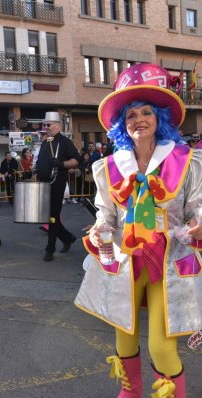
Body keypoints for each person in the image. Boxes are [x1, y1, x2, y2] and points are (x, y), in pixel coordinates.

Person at [75, 63, 202, 398]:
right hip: (127, 260)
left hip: (170, 259)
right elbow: (106, 212)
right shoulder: (109, 167)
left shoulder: (187, 161)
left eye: (147, 112)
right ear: (122, 123)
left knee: (161, 346)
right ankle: (131, 391)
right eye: (131, 115)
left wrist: (197, 223)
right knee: (124, 337)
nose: (139, 120)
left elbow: (196, 207)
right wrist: (101, 228)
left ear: (160, 118)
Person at [36, 111, 81, 261]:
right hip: (44, 184)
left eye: (48, 125)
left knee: (53, 217)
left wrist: (61, 163)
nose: (46, 127)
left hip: (56, 184)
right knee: (49, 216)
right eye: (44, 125)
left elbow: (76, 160)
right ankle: (67, 238)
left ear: (57, 125)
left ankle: (50, 249)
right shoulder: (45, 141)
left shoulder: (64, 142)